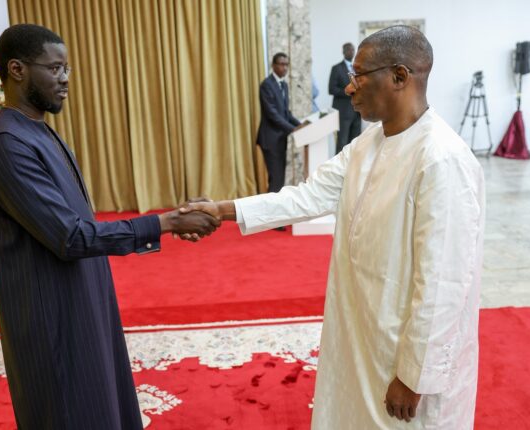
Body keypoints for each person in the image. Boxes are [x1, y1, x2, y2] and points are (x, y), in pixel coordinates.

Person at [182, 26, 485, 429]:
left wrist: (416, 376)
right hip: (363, 331)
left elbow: (444, 283)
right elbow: (305, 197)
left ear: (399, 76)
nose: (349, 87)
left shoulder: (441, 159)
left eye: (359, 76)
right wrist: (221, 210)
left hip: (405, 354)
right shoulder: (367, 144)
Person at [0, 24, 219, 429]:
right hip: (52, 319)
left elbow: (77, 225)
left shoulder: (38, 133)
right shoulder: (7, 146)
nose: (65, 79)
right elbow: (71, 236)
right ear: (16, 70)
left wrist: (170, 221)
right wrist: (165, 222)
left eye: (67, 68)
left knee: (105, 407)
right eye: (55, 68)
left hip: (82, 302)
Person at [257, 52, 308, 193]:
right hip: (270, 139)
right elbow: (272, 114)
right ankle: (270, 206)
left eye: (286, 65)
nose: (284, 68)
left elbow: (286, 113)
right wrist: (293, 129)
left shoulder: (284, 85)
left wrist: (300, 125)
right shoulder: (266, 85)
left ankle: (275, 204)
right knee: (276, 178)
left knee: (279, 178)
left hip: (280, 138)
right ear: (273, 65)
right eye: (281, 64)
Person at [329, 42, 362, 154]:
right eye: (348, 50)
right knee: (342, 143)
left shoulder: (357, 69)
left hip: (357, 112)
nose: (351, 52)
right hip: (343, 113)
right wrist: (347, 91)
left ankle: (353, 165)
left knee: (355, 143)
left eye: (353, 50)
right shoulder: (336, 68)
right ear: (343, 52)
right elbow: (331, 89)